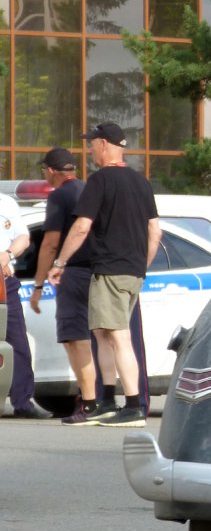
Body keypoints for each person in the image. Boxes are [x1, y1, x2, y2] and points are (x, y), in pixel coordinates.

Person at [48, 123, 161, 428]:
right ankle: (108, 402)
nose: (90, 150)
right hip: (132, 271)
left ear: (103, 144)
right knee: (102, 334)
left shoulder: (100, 180)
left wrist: (59, 262)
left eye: (92, 144)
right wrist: (142, 266)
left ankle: (134, 405)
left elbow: (82, 226)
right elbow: (155, 230)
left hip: (109, 269)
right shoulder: (141, 182)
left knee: (118, 337)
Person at [30, 147, 103, 425]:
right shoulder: (87, 190)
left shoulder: (60, 195)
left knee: (75, 337)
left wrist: (38, 286)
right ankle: (95, 398)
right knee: (98, 338)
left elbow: (49, 243)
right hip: (97, 271)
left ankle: (88, 402)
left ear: (50, 170)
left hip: (73, 272)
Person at [0, 191, 51, 418]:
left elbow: (22, 237)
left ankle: (23, 402)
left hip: (4, 282)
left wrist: (8, 254)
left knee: (16, 341)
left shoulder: (7, 202)